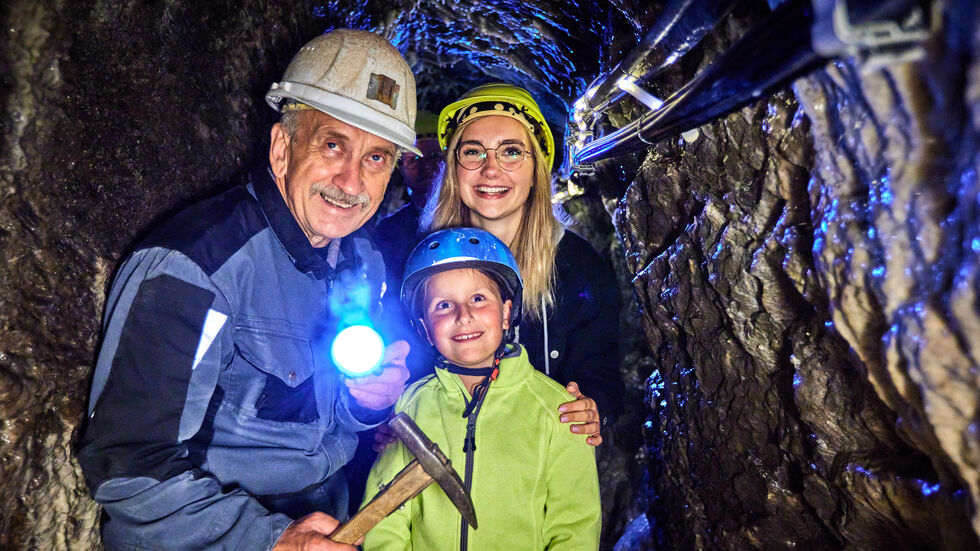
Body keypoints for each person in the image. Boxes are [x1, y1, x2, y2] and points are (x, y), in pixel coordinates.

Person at [77, 29, 419, 550]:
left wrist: (370, 402)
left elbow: (329, 416)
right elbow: (130, 464)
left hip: (330, 520)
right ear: (283, 147)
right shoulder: (194, 267)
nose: (352, 182)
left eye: (376, 158)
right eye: (333, 145)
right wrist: (272, 540)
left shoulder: (363, 262)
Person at [361, 228, 601, 550]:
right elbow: (385, 517)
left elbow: (575, 526)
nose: (464, 316)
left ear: (505, 313)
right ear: (424, 330)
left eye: (478, 299)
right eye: (443, 305)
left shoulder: (558, 409)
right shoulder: (409, 406)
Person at [425, 83, 624, 446]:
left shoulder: (578, 266)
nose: (491, 169)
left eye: (512, 152)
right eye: (473, 152)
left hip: (538, 468)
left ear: (537, 170)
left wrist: (593, 406)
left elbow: (602, 369)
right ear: (454, 170)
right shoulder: (421, 264)